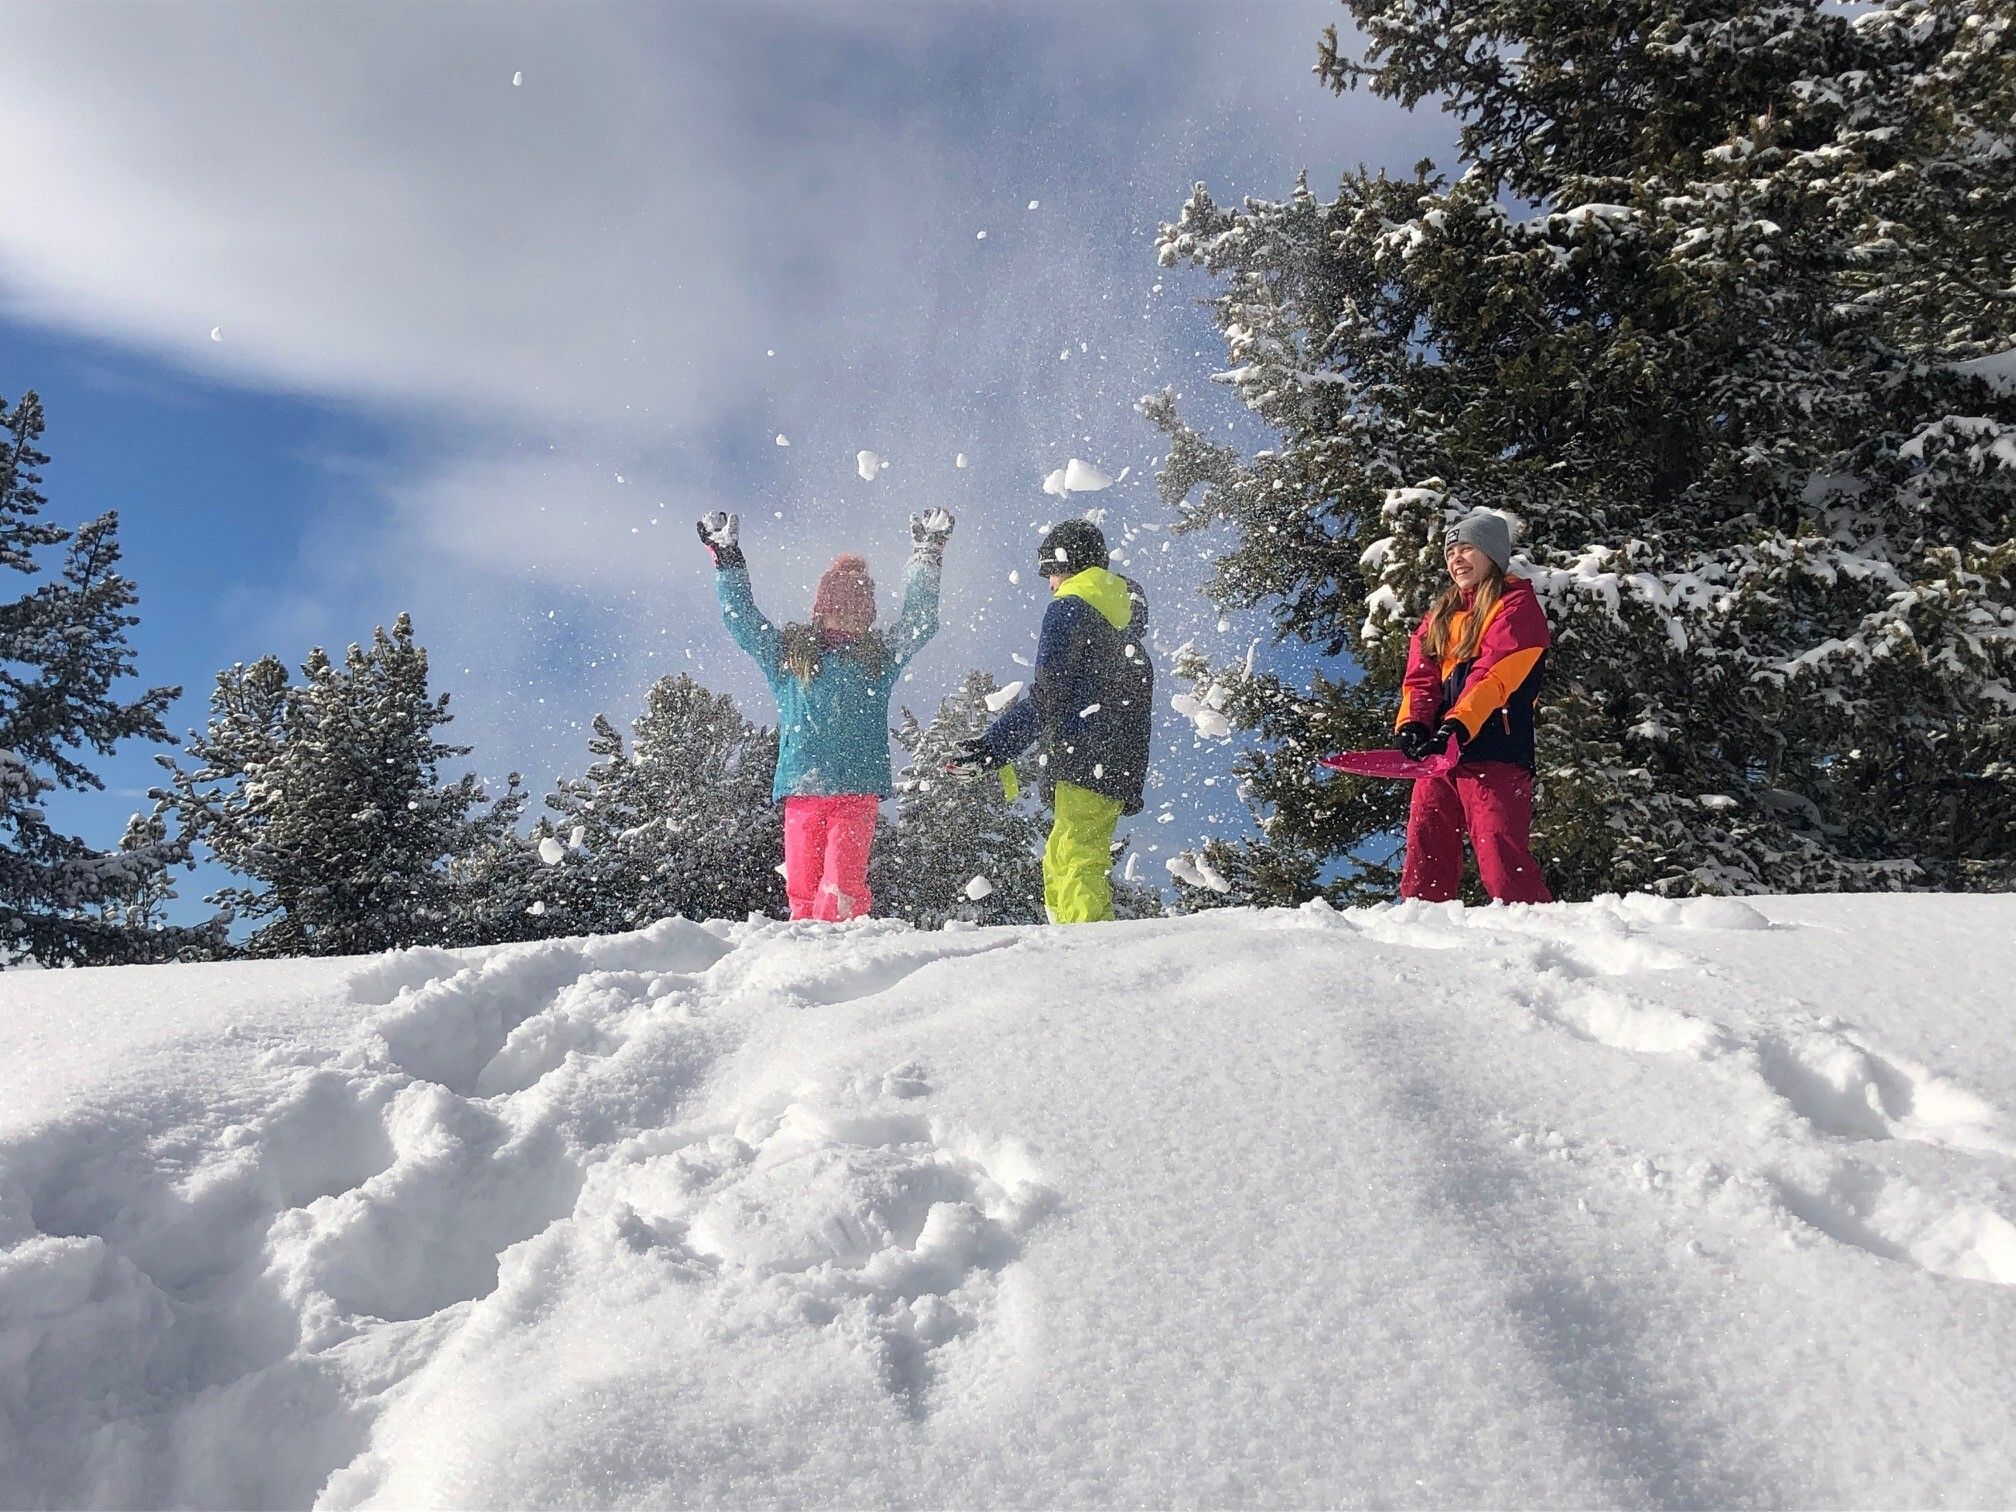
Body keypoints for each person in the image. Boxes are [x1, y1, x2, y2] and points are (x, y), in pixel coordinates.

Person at [698, 508, 951, 921]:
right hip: (802, 789)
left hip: (855, 792)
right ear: (821, 612)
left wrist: (927, 555)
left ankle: (841, 953)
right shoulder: (789, 658)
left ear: (867, 619)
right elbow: (742, 621)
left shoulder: (877, 661)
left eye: (857, 615)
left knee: (841, 890)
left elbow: (919, 622)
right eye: (839, 611)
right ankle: (807, 954)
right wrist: (727, 561)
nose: (847, 621)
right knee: (802, 892)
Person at [948, 518, 1152, 924]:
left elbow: (1048, 696)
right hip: (1113, 761)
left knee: (1076, 856)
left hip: (1084, 754)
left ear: (1067, 564)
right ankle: (1066, 944)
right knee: (1063, 853)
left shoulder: (1071, 607)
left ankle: (1090, 948)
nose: (1049, 583)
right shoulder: (1124, 629)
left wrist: (993, 747)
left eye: (1050, 572)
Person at [1393, 510, 1552, 903]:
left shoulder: (1515, 604)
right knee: (1426, 847)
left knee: (1499, 851)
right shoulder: (1439, 616)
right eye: (1451, 553)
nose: (1456, 559)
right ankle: (1419, 926)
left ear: (1492, 554)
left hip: (1496, 746)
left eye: (1467, 549)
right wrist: (1413, 724)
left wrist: (1458, 725)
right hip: (1440, 753)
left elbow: (1494, 675)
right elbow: (1420, 679)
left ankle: (1531, 925)